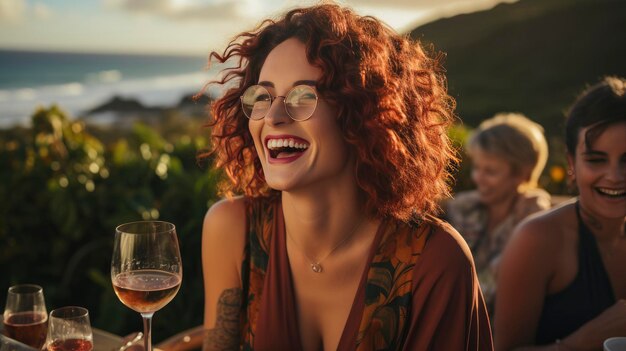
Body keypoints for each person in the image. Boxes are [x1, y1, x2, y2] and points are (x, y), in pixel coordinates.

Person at [199, 3, 493, 350]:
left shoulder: (435, 262)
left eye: (303, 96)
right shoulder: (232, 230)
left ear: (363, 114)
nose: (274, 116)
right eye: (262, 96)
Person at [495, 76, 626, 350]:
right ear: (571, 163)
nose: (615, 176)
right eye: (596, 160)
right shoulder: (537, 239)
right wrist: (583, 341)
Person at [445, 113, 551, 314]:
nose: (478, 178)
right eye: (477, 168)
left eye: (491, 172)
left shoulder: (531, 220)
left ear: (523, 175)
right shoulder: (465, 206)